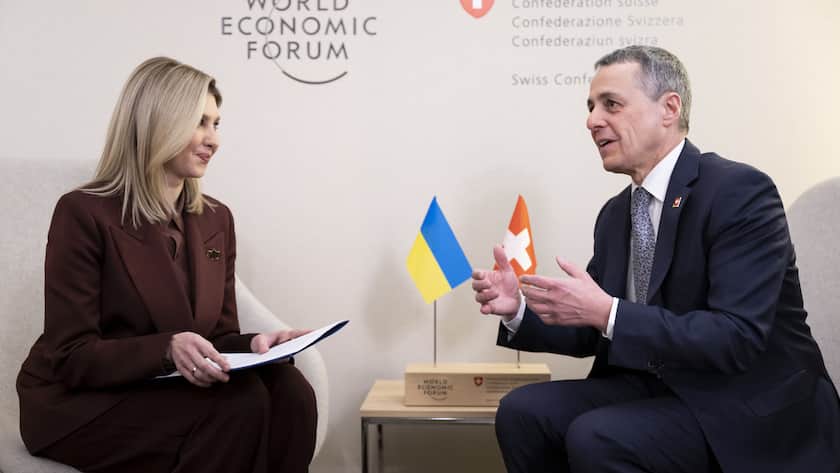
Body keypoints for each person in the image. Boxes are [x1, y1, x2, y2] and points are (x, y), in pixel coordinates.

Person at [472, 45, 840, 473]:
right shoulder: (616, 214)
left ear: (669, 108)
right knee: (523, 412)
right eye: (590, 107)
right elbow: (595, 328)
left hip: (747, 400)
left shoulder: (739, 192)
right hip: (659, 386)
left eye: (611, 104)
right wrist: (517, 309)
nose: (592, 120)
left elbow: (735, 336)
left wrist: (607, 312)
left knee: (598, 436)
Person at [16, 57, 317, 473]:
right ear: (157, 123)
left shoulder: (216, 219)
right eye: (199, 123)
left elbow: (217, 337)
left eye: (216, 124)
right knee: (237, 405)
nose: (214, 139)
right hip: (80, 403)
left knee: (291, 391)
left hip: (166, 389)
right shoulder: (83, 213)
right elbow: (71, 355)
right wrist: (166, 349)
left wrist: (256, 346)